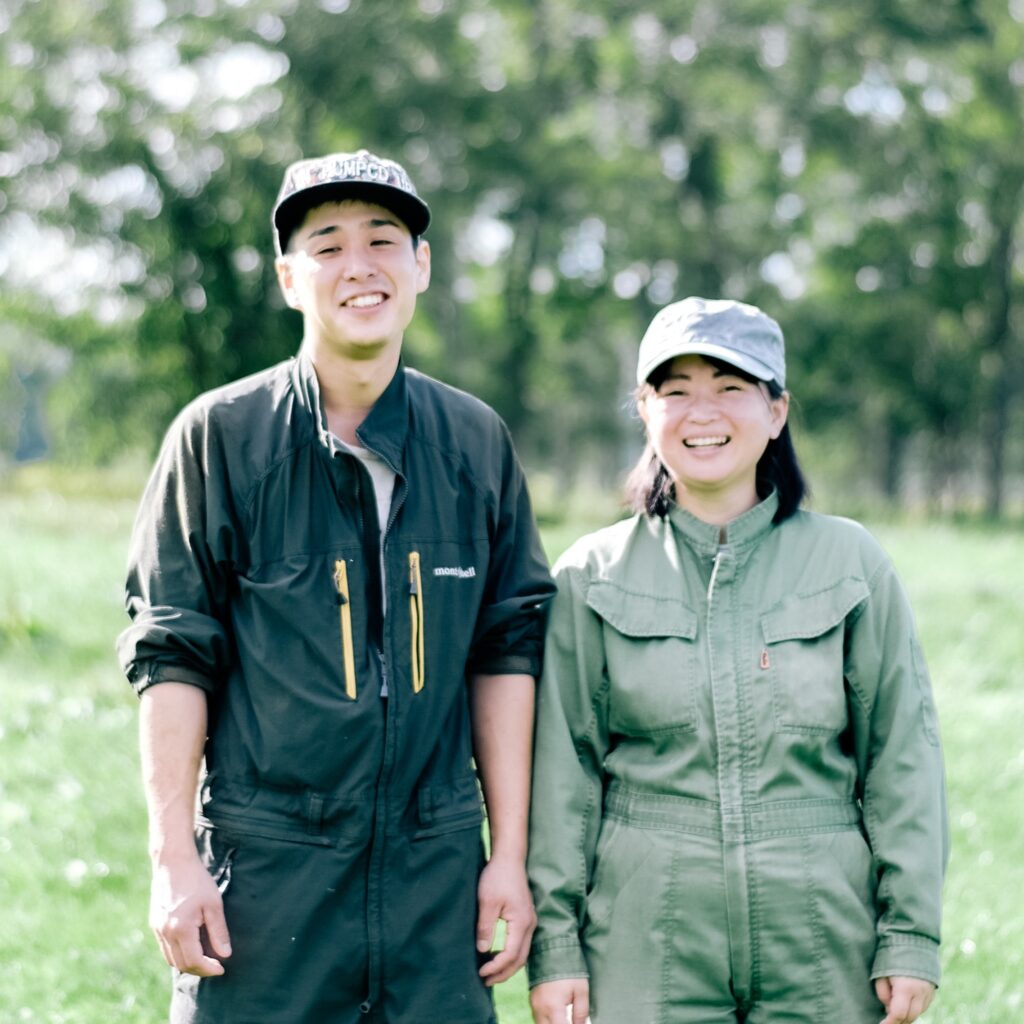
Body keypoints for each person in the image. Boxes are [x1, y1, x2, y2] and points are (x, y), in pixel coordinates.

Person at [117, 148, 556, 1024]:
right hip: (267, 876)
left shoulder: (475, 441)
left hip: (435, 876)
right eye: (327, 245)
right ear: (289, 278)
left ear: (420, 265)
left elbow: (506, 652)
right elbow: (172, 655)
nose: (359, 265)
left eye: (382, 239)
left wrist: (506, 854)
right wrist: (173, 859)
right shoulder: (219, 439)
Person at [526, 297, 948, 1024]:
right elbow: (563, 773)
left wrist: (910, 933)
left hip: (822, 931)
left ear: (777, 411)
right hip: (646, 936)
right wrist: (557, 947)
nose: (703, 412)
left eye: (730, 387)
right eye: (676, 390)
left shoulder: (851, 563)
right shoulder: (590, 576)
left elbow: (902, 757)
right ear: (644, 409)